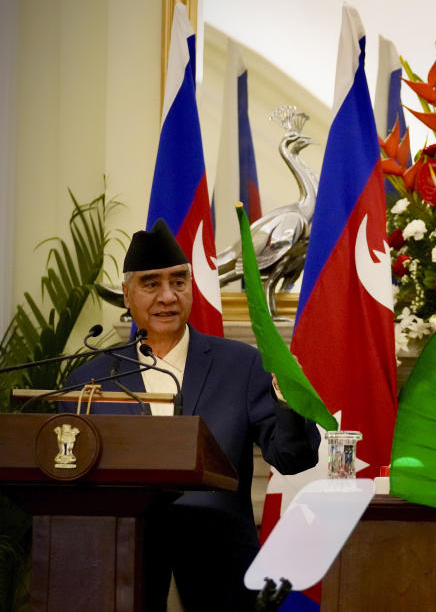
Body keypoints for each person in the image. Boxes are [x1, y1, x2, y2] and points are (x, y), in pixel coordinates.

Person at [65, 219, 321, 611]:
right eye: (151, 284)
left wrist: (290, 402)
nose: (167, 296)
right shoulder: (89, 379)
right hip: (122, 554)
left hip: (220, 558)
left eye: (178, 281)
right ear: (127, 295)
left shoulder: (241, 365)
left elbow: (293, 458)